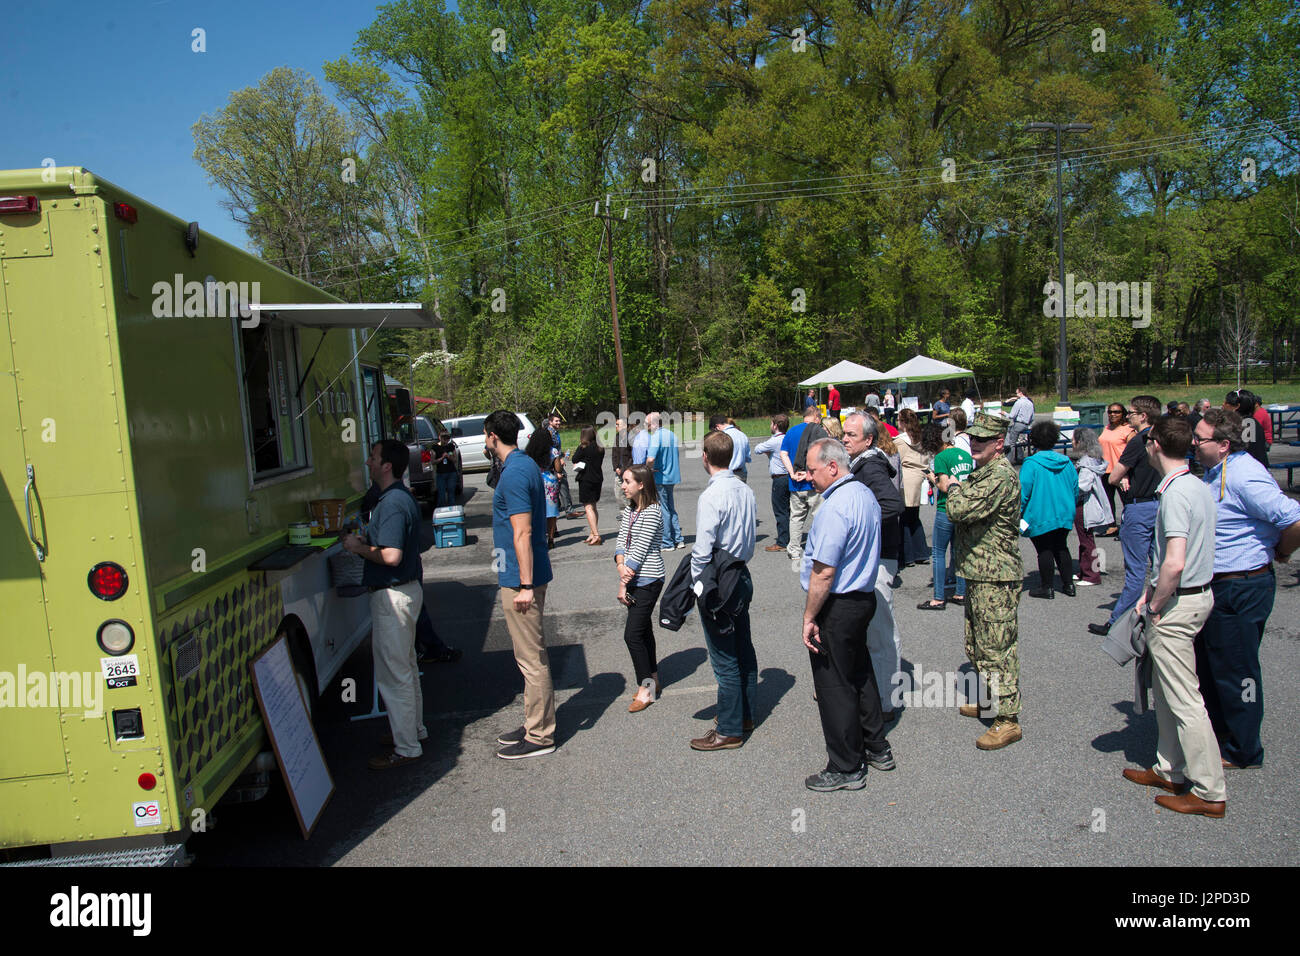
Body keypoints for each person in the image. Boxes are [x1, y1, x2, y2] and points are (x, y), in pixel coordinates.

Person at [1121, 416, 1224, 816]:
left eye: (1147, 442)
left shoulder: (1177, 493)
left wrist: (1154, 603)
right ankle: (1169, 767)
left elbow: (1174, 562)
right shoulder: (1195, 485)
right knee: (1166, 691)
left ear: (1157, 445)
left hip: (1179, 601)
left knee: (1184, 699)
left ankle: (1209, 790)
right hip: (1193, 596)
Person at [1193, 408, 1300, 770]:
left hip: (1241, 586)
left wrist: (1282, 551)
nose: (1193, 443)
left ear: (1223, 445)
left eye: (1200, 438)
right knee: (1215, 664)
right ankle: (1223, 733)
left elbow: (1293, 518)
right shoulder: (1217, 471)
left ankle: (1244, 749)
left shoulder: (1244, 476)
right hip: (1221, 585)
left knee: (1238, 671)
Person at [799, 438, 896, 790]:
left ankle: (846, 766)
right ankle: (876, 746)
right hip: (861, 599)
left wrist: (810, 616)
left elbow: (823, 572)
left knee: (834, 685)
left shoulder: (836, 507)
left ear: (832, 467)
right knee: (860, 673)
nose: (807, 477)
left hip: (839, 605)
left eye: (812, 470)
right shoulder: (864, 494)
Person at [343, 440, 427, 770]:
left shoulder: (391, 502)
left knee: (395, 676)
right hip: (405, 592)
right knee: (405, 669)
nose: (368, 462)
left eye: (373, 457)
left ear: (387, 465)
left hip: (393, 595)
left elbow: (391, 556)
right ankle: (413, 731)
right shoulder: (398, 498)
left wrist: (356, 547)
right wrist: (370, 542)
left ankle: (406, 747)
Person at [944, 412, 1024, 750]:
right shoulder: (984, 471)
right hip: (978, 571)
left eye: (982, 440)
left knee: (997, 648)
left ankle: (1008, 719)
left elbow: (959, 509)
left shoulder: (999, 476)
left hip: (996, 575)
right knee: (976, 644)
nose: (973, 444)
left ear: (999, 444)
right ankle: (991, 701)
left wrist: (951, 486)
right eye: (972, 438)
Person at [484, 410, 557, 759]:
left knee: (531, 658)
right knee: (526, 655)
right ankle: (534, 722)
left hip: (520, 578)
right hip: (518, 575)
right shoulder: (524, 464)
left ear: (491, 436)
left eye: (485, 437)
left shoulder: (514, 473)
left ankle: (541, 735)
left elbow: (523, 531)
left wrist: (525, 585)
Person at [689, 431, 759, 751]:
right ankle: (744, 714)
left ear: (706, 457)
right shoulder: (745, 489)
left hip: (720, 579)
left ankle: (729, 729)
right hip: (741, 575)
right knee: (742, 646)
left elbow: (702, 552)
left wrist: (698, 587)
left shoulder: (711, 496)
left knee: (724, 656)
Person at [842, 412, 904, 720]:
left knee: (880, 630)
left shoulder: (871, 466)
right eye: (844, 433)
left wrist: (857, 526)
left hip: (880, 558)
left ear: (868, 439)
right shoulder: (864, 464)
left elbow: (893, 504)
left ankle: (886, 701)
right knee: (871, 629)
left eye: (851, 435)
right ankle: (875, 692)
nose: (844, 438)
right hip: (874, 556)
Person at [1089, 396, 1163, 636]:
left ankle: (1118, 620)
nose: (1128, 416)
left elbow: (1113, 477)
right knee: (1160, 563)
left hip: (1139, 506)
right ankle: (1162, 609)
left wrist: (1122, 475)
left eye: (1131, 412)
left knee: (1136, 569)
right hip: (1160, 504)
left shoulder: (1140, 440)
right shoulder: (1163, 437)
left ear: (1143, 416)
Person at [614, 464, 667, 712]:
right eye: (623, 481)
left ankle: (645, 690)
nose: (623, 486)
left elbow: (641, 548)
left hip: (649, 579)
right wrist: (619, 563)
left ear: (641, 484)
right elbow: (622, 540)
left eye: (627, 481)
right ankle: (653, 679)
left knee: (632, 635)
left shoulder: (654, 511)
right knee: (643, 631)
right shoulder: (630, 509)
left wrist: (623, 583)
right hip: (632, 577)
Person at [1019, 421, 1079, 599]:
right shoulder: (1066, 462)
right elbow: (1075, 487)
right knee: (1061, 546)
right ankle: (1068, 584)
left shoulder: (1031, 463)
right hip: (1064, 511)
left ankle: (1047, 587)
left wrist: (1018, 511)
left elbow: (1024, 491)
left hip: (1040, 512)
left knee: (1044, 549)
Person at [918, 421, 973, 610]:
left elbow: (943, 485)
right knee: (959, 551)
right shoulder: (966, 455)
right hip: (964, 508)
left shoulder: (941, 457)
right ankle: (960, 592)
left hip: (946, 507)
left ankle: (939, 597)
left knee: (939, 552)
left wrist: (932, 478)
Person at [782, 405, 825, 567]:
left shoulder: (791, 431)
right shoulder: (818, 431)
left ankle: (794, 549)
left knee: (796, 517)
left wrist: (791, 472)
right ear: (816, 417)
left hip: (796, 483)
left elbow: (783, 453)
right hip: (815, 482)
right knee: (819, 516)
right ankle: (819, 548)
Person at [1072, 427, 1113, 588]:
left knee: (1086, 540)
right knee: (1085, 540)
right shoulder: (1093, 459)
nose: (1072, 442)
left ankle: (1091, 575)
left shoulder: (1086, 463)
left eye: (1074, 439)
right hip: (1086, 504)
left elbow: (1083, 485)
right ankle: (1084, 569)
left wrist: (1069, 486)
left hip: (1085, 505)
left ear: (1080, 442)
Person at [895, 407, 929, 566]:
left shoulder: (900, 441)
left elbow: (896, 460)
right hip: (920, 477)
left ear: (903, 422)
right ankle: (921, 552)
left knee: (904, 519)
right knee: (914, 517)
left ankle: (907, 556)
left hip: (907, 479)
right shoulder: (920, 438)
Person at [646, 412, 684, 549]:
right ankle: (678, 539)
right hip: (672, 475)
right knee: (670, 507)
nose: (647, 427)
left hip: (660, 476)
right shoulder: (671, 434)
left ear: (655, 423)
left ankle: (667, 542)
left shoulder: (656, 437)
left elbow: (650, 459)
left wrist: (647, 470)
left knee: (664, 509)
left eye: (648, 424)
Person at [755, 414, 791, 552]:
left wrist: (768, 452)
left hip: (779, 478)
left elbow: (758, 449)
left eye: (771, 424)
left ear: (775, 426)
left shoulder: (774, 441)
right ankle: (790, 537)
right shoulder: (788, 438)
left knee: (780, 511)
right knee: (789, 509)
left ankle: (782, 541)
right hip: (789, 476)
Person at [1098, 402, 1135, 536]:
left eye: (1116, 412)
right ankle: (1111, 526)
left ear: (1123, 414)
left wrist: (1126, 472)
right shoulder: (1107, 427)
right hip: (1105, 470)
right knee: (1107, 500)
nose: (1112, 414)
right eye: (1110, 412)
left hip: (1121, 470)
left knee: (1127, 500)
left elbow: (1133, 451)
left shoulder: (1128, 430)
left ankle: (1130, 526)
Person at [571, 425, 605, 545]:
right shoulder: (600, 447)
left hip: (586, 479)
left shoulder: (583, 447)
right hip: (597, 478)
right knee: (594, 506)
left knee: (588, 507)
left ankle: (596, 535)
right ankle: (592, 532)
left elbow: (574, 459)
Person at [525, 428, 560, 548]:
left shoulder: (529, 451)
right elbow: (558, 468)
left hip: (535, 479)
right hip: (549, 480)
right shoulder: (553, 451)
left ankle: (538, 536)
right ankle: (551, 538)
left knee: (536, 509)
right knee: (551, 512)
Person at [711, 414, 751, 481]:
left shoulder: (723, 437)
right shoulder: (742, 435)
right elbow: (748, 458)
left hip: (727, 475)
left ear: (717, 427)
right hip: (742, 474)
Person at [1234, 391, 1270, 465]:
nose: (1223, 405)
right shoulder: (1248, 421)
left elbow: (1248, 450)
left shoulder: (1248, 423)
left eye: (1227, 403)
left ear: (1238, 406)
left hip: (1254, 467)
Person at [1006, 387, 1035, 465]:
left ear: (1021, 393)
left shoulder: (1018, 402)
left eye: (1017, 393)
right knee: (1016, 439)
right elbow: (1032, 417)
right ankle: (1020, 456)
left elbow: (1012, 415)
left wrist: (1004, 413)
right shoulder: (1030, 403)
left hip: (1018, 424)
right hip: (1027, 425)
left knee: (1011, 442)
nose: (1016, 394)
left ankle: (1008, 460)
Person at [432, 428, 459, 508]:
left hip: (451, 472)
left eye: (447, 438)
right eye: (444, 438)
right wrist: (441, 458)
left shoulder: (451, 446)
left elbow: (455, 460)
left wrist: (449, 456)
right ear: (439, 437)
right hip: (440, 473)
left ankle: (452, 508)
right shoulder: (435, 447)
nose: (446, 440)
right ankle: (441, 509)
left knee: (451, 492)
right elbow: (433, 461)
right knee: (441, 494)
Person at [611, 417, 633, 511]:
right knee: (618, 493)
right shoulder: (616, 437)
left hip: (628, 470)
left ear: (624, 426)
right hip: (618, 470)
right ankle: (623, 512)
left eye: (618, 424)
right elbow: (614, 454)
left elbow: (632, 456)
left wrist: (625, 469)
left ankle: (631, 511)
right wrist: (616, 467)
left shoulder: (630, 438)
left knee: (629, 493)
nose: (616, 426)